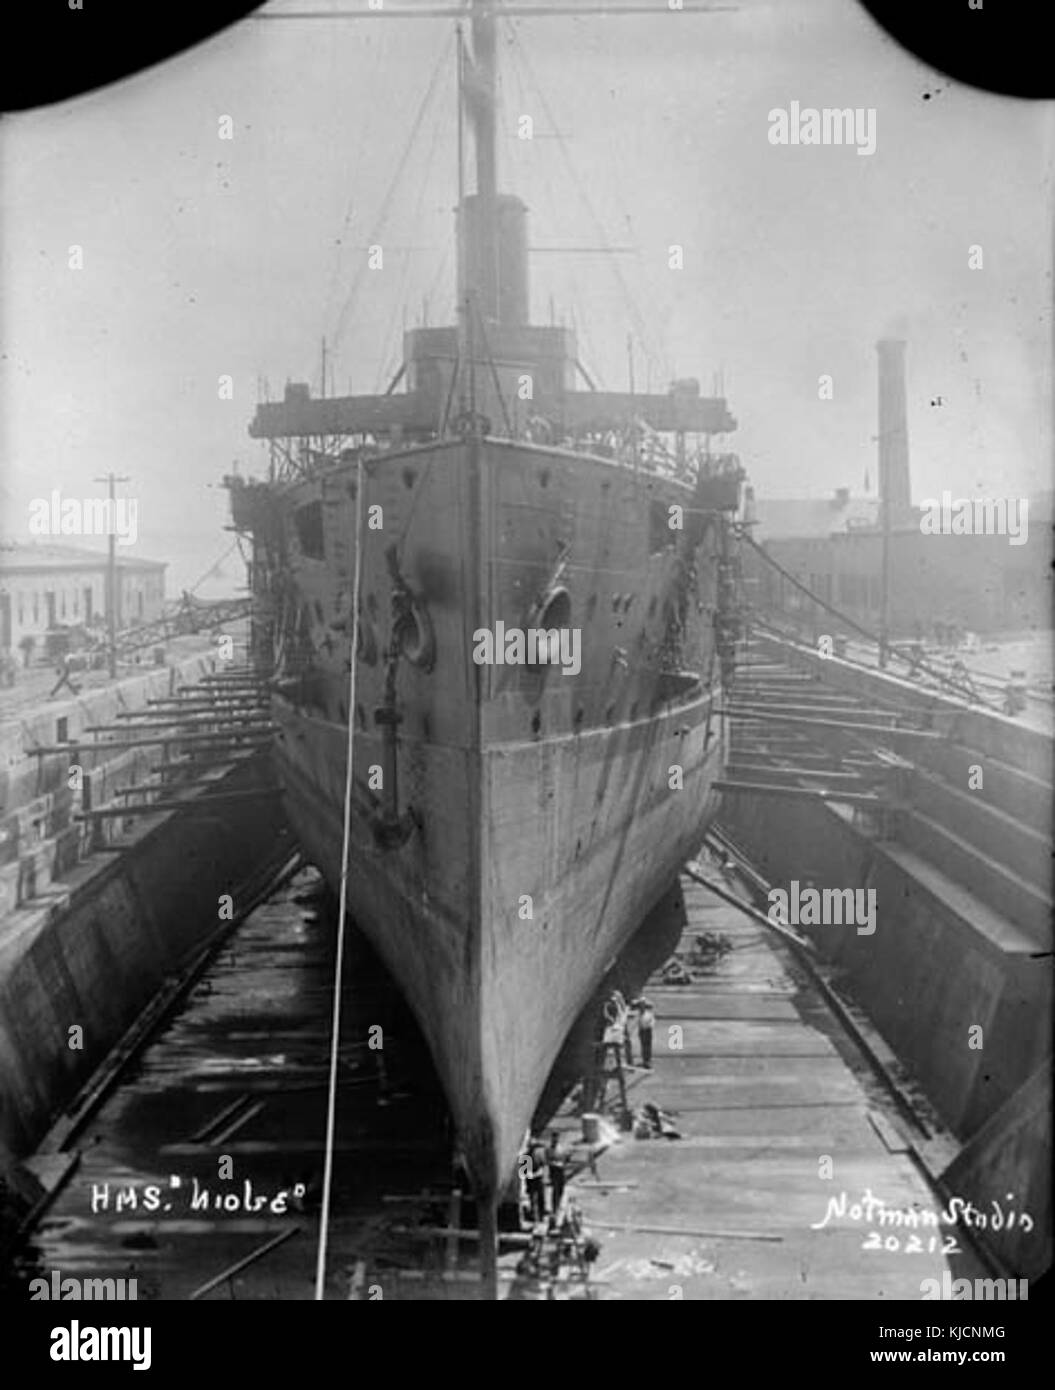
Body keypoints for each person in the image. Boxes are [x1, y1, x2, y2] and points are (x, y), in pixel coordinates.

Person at [525, 1135, 549, 1224]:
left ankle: (542, 1214)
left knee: (541, 1198)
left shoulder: (539, 1155)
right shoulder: (525, 1156)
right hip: (531, 1181)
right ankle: (534, 1216)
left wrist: (539, 1174)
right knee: (533, 1199)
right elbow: (524, 1173)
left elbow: (543, 1166)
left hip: (538, 1179)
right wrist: (532, 1175)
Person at [546, 1130, 567, 1219]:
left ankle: (559, 1205)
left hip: (561, 1170)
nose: (555, 1140)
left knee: (561, 1189)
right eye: (554, 1138)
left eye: (557, 1138)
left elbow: (564, 1158)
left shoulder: (561, 1147)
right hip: (554, 1170)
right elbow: (548, 1160)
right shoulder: (549, 1149)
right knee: (555, 1191)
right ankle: (554, 1208)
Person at [634, 995, 655, 1069]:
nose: (641, 1007)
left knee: (647, 1046)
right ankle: (645, 1061)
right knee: (643, 1046)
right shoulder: (639, 1014)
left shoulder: (648, 1014)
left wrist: (647, 1028)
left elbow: (651, 1022)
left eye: (642, 1005)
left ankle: (648, 1061)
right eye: (640, 1006)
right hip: (642, 1031)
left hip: (647, 1031)